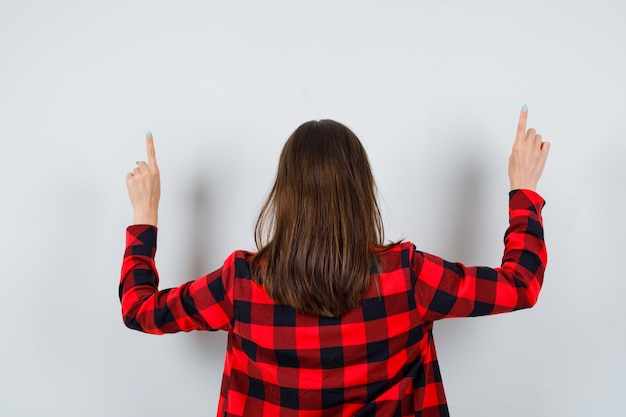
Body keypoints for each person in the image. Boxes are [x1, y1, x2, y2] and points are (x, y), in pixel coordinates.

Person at [120, 106, 550, 417]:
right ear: (360, 191)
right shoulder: (407, 277)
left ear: (285, 195)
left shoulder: (242, 285)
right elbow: (520, 284)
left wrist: (146, 215)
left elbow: (140, 309)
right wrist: (523, 190)